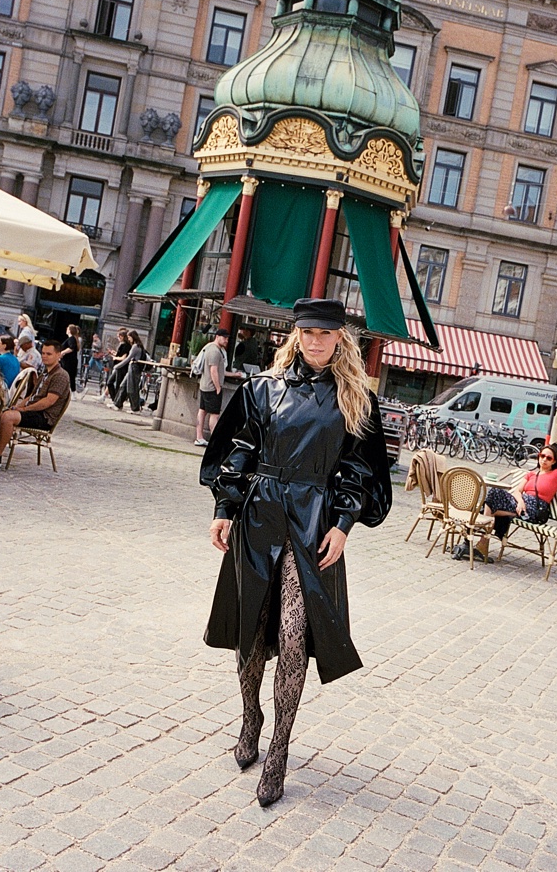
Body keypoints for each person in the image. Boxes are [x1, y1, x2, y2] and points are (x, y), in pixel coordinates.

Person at [200, 298, 391, 807]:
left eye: (325, 334)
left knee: (291, 634)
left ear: (340, 338)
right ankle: (251, 718)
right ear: (295, 335)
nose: (315, 342)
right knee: (250, 630)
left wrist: (345, 524)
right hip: (259, 513)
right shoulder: (264, 389)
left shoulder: (355, 399)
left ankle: (279, 750)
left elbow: (361, 470)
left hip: (313, 519)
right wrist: (224, 506)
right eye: (307, 333)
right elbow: (239, 450)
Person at [473, 445, 557, 564]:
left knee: (488, 507)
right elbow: (517, 491)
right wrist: (520, 502)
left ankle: (481, 540)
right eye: (542, 456)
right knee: (493, 494)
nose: (544, 459)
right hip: (520, 504)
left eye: (548, 458)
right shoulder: (531, 474)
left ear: (554, 461)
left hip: (535, 510)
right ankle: (483, 543)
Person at [0, 340, 71, 466]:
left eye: (49, 354)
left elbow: (48, 402)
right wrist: (17, 407)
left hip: (44, 417)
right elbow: (31, 396)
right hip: (33, 411)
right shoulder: (45, 372)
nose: (44, 356)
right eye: (43, 353)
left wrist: (24, 410)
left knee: (8, 417)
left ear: (58, 355)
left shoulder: (60, 375)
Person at [194, 327, 229, 447]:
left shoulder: (208, 347)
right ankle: (215, 443)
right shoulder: (215, 351)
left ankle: (199, 437)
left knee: (202, 411)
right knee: (214, 414)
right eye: (224, 338)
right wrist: (218, 387)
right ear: (217, 337)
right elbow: (213, 370)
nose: (226, 341)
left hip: (204, 384)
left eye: (227, 338)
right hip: (211, 387)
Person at [111, 330, 147, 413]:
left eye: (129, 337)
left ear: (133, 337)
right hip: (133, 368)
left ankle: (135, 408)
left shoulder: (135, 346)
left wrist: (117, 366)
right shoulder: (139, 346)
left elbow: (128, 359)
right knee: (123, 386)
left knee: (132, 388)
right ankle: (117, 404)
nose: (129, 339)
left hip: (134, 368)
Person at [104, 328, 131, 401]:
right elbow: (120, 354)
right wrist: (114, 354)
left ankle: (116, 400)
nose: (118, 338)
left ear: (122, 337)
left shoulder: (126, 345)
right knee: (110, 382)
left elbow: (124, 357)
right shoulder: (122, 345)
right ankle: (114, 399)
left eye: (119, 336)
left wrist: (115, 358)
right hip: (117, 366)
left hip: (121, 367)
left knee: (117, 384)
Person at [60, 323, 80, 392]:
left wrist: (62, 352)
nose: (66, 330)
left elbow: (71, 348)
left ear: (70, 330)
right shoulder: (72, 339)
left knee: (68, 376)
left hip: (69, 362)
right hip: (68, 361)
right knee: (69, 377)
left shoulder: (71, 339)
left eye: (68, 329)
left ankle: (71, 391)